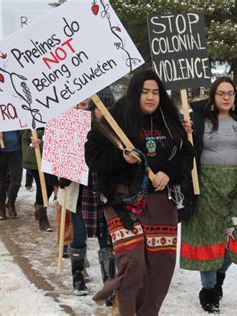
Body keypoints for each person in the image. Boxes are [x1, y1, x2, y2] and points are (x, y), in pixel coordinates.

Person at [85, 70, 194, 315]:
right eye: (145, 91)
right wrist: (122, 157)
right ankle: (124, 306)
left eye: (155, 92)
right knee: (133, 261)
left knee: (160, 268)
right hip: (123, 200)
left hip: (161, 203)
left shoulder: (170, 119)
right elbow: (92, 156)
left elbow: (187, 156)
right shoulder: (115, 119)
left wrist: (168, 173)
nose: (150, 97)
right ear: (135, 92)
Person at [179, 77, 237, 313]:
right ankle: (208, 291)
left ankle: (218, 275)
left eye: (230, 93)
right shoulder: (197, 118)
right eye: (221, 93)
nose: (226, 97)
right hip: (206, 185)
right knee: (208, 238)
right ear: (213, 96)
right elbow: (183, 150)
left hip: (236, 185)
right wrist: (183, 132)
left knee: (236, 235)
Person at [60, 88, 116, 300]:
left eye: (108, 108)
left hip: (105, 192)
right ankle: (78, 278)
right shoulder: (77, 126)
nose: (105, 112)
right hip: (82, 190)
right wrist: (64, 173)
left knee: (107, 238)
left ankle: (109, 284)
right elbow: (65, 154)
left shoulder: (116, 130)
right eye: (101, 108)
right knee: (79, 235)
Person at [21, 128, 57, 231]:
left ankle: (39, 205)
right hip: (34, 159)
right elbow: (24, 134)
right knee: (42, 186)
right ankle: (43, 219)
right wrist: (40, 135)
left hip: (50, 157)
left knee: (50, 186)